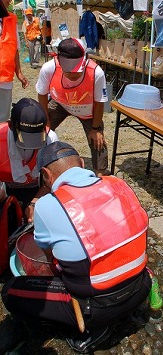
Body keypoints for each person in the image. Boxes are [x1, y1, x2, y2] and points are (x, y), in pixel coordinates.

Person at [1, 141, 151, 353]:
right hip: (140, 286)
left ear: (45, 175)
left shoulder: (48, 204)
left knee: (11, 291)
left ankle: (94, 330)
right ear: (81, 163)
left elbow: (49, 258)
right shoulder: (117, 183)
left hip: (97, 307)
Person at [36, 37, 110, 176]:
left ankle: (101, 173)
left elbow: (100, 102)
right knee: (40, 131)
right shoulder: (49, 68)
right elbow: (42, 95)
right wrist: (46, 123)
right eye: (68, 71)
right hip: (60, 102)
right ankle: (39, 165)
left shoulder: (96, 72)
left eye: (77, 70)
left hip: (87, 109)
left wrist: (95, 128)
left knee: (97, 139)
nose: (73, 74)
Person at [0, 97, 58, 222]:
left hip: (37, 190)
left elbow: (52, 180)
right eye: (25, 137)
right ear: (11, 125)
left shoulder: (50, 138)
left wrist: (34, 204)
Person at [0, 0, 29, 122]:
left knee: (3, 118)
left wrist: (19, 72)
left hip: (5, 79)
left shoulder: (12, 19)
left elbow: (14, 48)